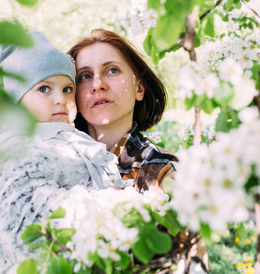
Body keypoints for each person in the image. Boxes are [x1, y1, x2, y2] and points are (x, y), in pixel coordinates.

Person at [0, 31, 125, 273]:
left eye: (68, 89)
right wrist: (110, 205)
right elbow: (21, 219)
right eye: (44, 89)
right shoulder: (18, 150)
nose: (60, 99)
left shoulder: (72, 141)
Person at [67, 28, 208, 271]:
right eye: (84, 76)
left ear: (139, 88)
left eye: (112, 70)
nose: (97, 84)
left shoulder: (165, 171)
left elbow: (194, 265)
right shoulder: (56, 161)